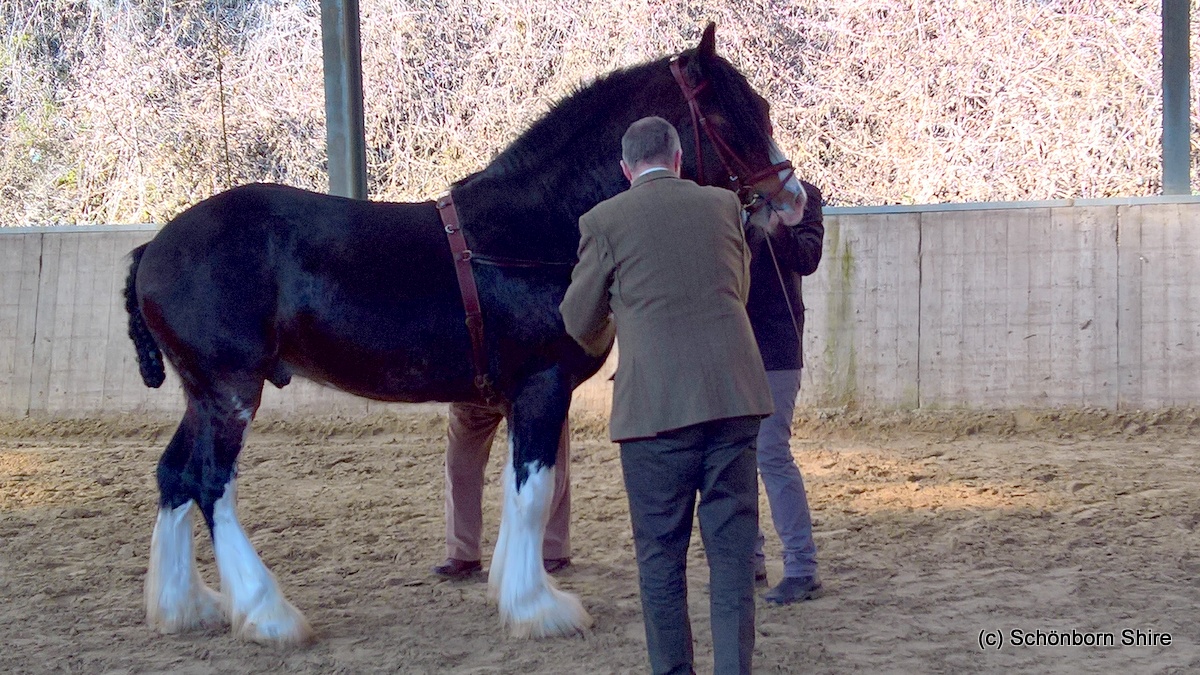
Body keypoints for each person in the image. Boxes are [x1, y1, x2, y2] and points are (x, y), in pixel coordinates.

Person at [560, 116, 773, 675]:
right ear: (678, 159)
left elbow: (579, 322)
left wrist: (620, 321)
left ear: (626, 169)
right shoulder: (725, 207)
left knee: (661, 563)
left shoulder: (602, 221)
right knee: (731, 563)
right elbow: (738, 291)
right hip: (735, 399)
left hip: (654, 415)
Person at [744, 180, 826, 604]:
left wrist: (776, 226)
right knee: (736, 454)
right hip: (731, 344)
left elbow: (808, 258)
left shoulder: (801, 196)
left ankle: (801, 566)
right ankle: (749, 559)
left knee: (771, 453)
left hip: (776, 343)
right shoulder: (720, 197)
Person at [431, 401, 572, 579]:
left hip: (533, 384)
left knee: (547, 461)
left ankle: (550, 548)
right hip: (474, 390)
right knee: (459, 465)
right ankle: (462, 552)